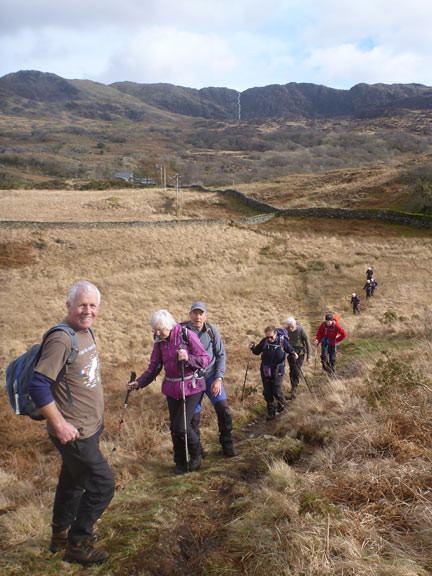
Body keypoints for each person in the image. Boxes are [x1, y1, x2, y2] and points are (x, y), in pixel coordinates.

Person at [28, 281, 114, 566]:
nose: (87, 311)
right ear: (68, 306)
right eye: (81, 305)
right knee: (103, 484)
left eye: (92, 305)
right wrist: (61, 425)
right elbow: (38, 386)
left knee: (73, 481)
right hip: (74, 432)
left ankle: (60, 535)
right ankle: (79, 542)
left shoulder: (85, 331)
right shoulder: (62, 339)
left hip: (89, 428)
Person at [127, 310, 209, 475]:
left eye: (160, 330)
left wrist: (188, 358)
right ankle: (179, 462)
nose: (157, 334)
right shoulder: (159, 342)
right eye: (154, 330)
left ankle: (196, 453)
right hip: (172, 389)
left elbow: (204, 359)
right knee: (174, 428)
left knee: (181, 426)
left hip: (191, 387)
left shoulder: (187, 336)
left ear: (169, 326)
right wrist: (138, 383)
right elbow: (154, 367)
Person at [185, 302, 238, 457]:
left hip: (211, 378)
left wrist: (219, 378)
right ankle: (197, 451)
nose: (198, 316)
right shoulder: (183, 332)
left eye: (201, 313)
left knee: (223, 409)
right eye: (195, 313)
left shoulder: (212, 331)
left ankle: (227, 443)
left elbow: (221, 355)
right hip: (193, 381)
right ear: (190, 315)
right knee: (193, 418)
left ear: (205, 316)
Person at [249, 326, 297, 420]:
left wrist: (294, 353)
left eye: (271, 337)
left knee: (276, 390)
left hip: (278, 369)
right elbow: (257, 351)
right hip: (265, 369)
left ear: (276, 334)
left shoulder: (282, 341)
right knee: (267, 392)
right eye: (267, 337)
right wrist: (252, 348)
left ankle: (281, 405)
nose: (269, 339)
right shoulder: (264, 341)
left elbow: (290, 349)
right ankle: (271, 412)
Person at [285, 317, 311, 399]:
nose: (290, 328)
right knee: (292, 369)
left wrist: (309, 356)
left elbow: (307, 342)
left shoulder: (300, 330)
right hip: (290, 353)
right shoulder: (285, 331)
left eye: (292, 326)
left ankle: (294, 389)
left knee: (296, 369)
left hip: (300, 353)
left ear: (295, 324)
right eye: (288, 327)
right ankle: (293, 385)